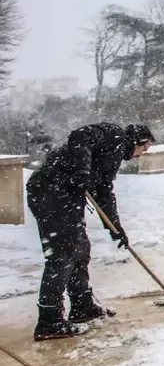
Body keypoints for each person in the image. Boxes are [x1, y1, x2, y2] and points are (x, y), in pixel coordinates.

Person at [25, 123, 155, 340]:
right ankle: (50, 320)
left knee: (81, 248)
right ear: (137, 142)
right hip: (50, 191)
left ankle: (81, 305)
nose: (140, 156)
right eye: (144, 149)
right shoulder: (114, 134)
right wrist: (81, 170)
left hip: (65, 196)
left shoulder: (111, 158)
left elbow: (104, 192)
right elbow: (80, 136)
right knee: (63, 254)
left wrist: (116, 228)